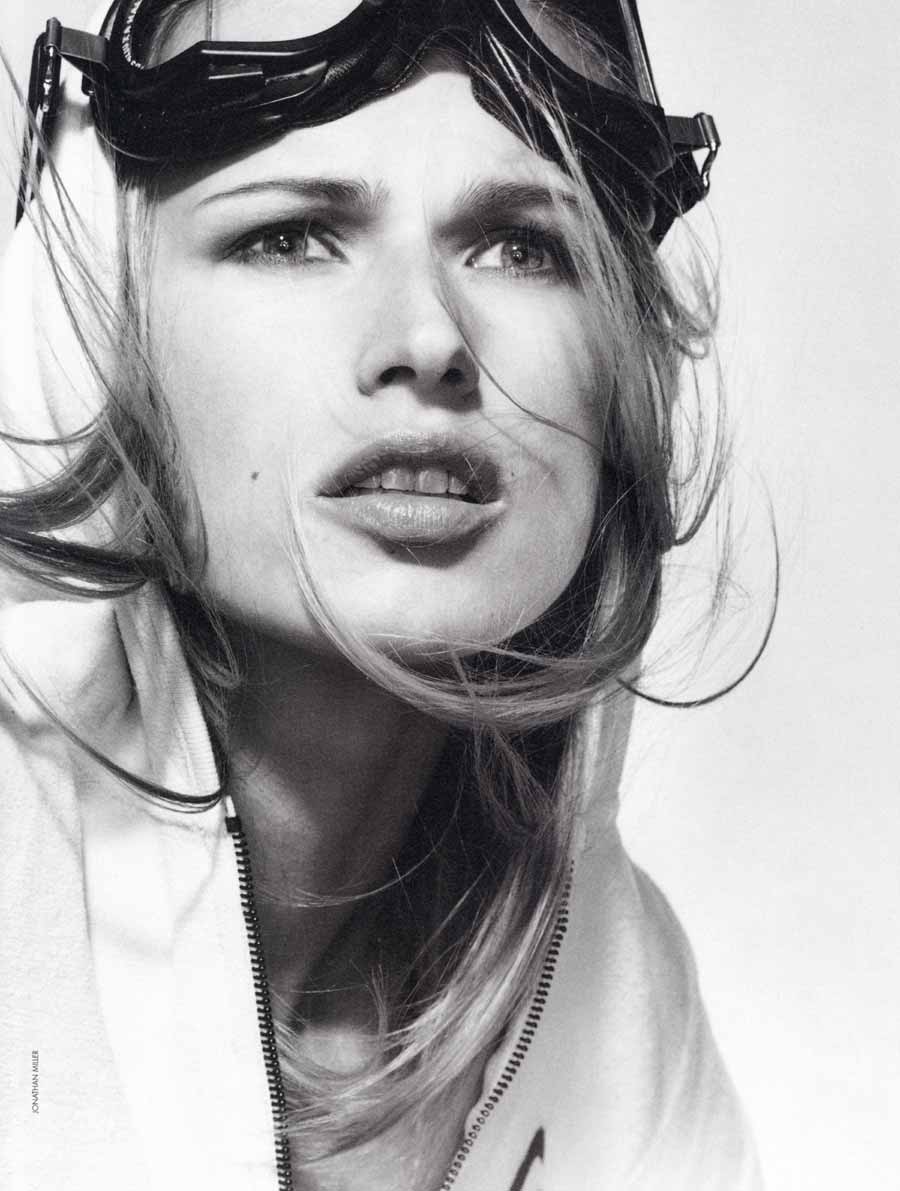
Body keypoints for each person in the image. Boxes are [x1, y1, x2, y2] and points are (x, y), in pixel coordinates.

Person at [0, 1, 760, 1188]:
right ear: (98, 330)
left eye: (521, 246)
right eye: (292, 237)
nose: (427, 336)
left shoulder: (627, 1003)